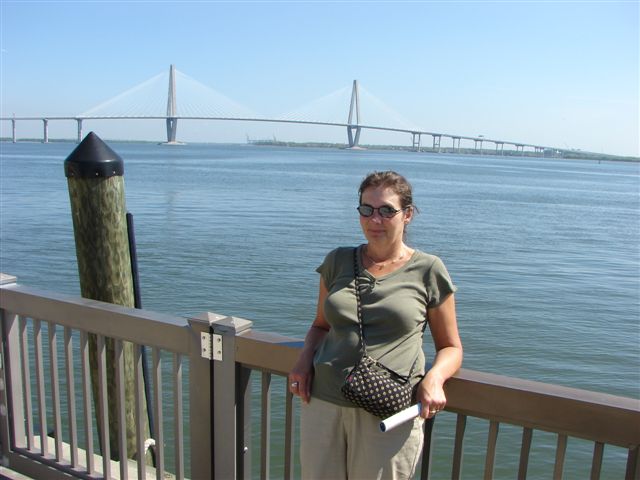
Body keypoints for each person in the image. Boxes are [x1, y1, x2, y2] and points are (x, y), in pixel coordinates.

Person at [288, 170, 463, 480]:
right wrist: (303, 362)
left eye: (386, 210)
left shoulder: (429, 270)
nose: (375, 219)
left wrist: (435, 378)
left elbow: (451, 347)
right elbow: (320, 326)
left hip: (387, 409)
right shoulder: (337, 261)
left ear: (407, 214)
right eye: (367, 209)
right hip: (323, 400)